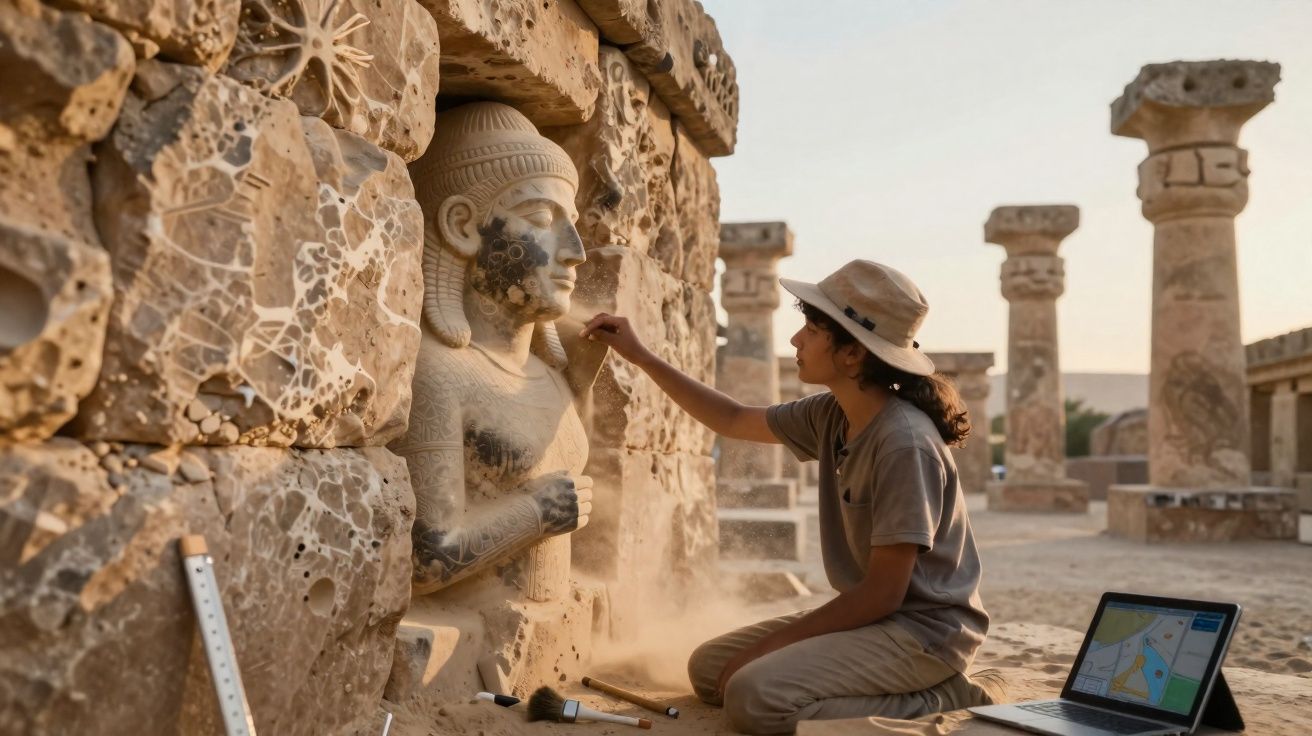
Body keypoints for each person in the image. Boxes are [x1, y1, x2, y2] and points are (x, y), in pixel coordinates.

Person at [580, 260, 1003, 734]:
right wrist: (641, 356)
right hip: (879, 620)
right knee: (707, 669)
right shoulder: (833, 413)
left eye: (810, 327)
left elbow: (884, 594)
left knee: (752, 695)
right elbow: (734, 419)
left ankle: (943, 695)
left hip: (924, 633)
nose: (795, 339)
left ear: (850, 354)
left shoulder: (904, 444)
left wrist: (764, 650)